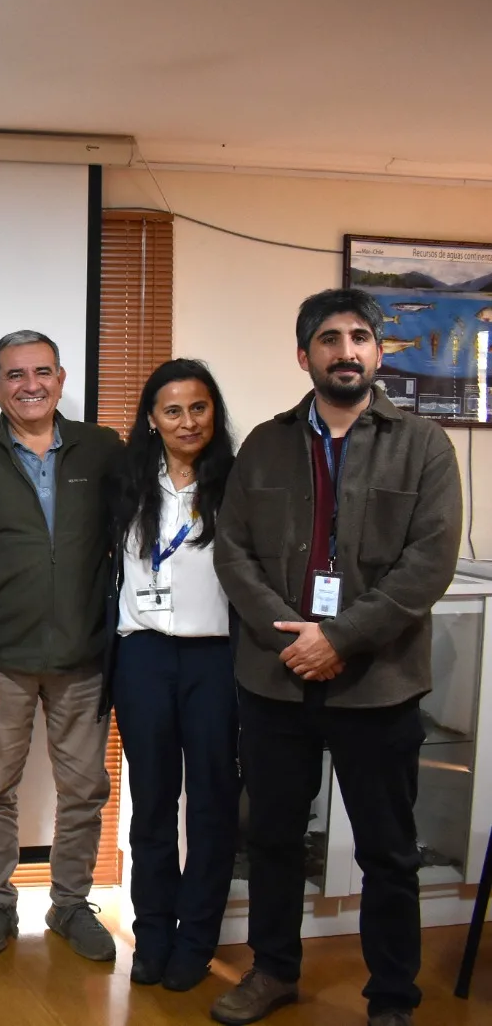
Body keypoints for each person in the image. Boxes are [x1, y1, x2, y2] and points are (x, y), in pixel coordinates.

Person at [210, 289, 462, 1026]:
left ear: (378, 353)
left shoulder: (423, 444)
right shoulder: (264, 442)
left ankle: (391, 996)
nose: (345, 350)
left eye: (359, 337)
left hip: (377, 683)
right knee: (275, 838)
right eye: (328, 338)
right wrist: (292, 638)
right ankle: (274, 971)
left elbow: (428, 564)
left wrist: (339, 638)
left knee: (388, 850)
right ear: (304, 355)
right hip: (276, 679)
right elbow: (234, 551)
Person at [0, 329, 122, 962]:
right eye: (15, 375)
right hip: (1, 658)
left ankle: (70, 904)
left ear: (62, 378)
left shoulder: (103, 450)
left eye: (42, 371)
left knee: (85, 789)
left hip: (84, 655)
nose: (31, 385)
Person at [104, 359, 237, 992]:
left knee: (211, 803)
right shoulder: (126, 482)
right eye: (172, 410)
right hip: (143, 656)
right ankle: (152, 933)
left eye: (199, 408)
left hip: (216, 659)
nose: (187, 421)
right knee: (152, 804)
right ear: (151, 420)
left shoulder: (237, 483)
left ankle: (197, 939)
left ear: (214, 414)